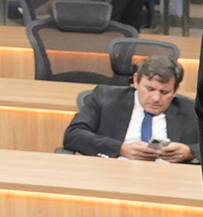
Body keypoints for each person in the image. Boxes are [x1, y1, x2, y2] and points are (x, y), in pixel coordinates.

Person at [62, 54, 198, 162]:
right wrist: (120, 149)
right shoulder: (105, 98)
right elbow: (74, 135)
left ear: (175, 90)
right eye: (150, 89)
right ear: (136, 81)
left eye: (164, 92)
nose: (156, 98)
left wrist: (190, 151)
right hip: (113, 175)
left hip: (168, 179)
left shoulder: (191, 109)